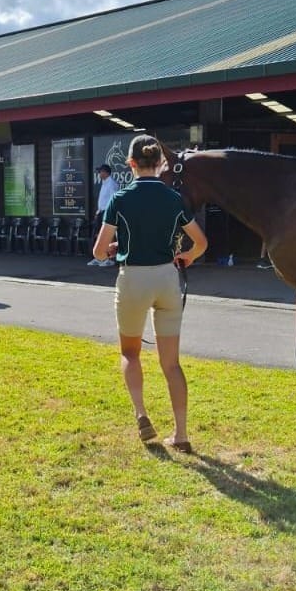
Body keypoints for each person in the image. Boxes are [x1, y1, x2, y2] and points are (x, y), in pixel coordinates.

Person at [90, 134, 208, 453]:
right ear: (161, 164)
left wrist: (115, 249)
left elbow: (99, 251)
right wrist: (187, 257)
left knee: (130, 353)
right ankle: (181, 433)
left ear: (130, 164)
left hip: (134, 278)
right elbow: (201, 242)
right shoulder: (174, 199)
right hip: (168, 279)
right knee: (172, 363)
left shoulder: (121, 199)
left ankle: (141, 414)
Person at [87, 163, 118, 267]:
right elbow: (103, 200)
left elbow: (113, 200)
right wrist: (98, 211)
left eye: (100, 171)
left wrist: (108, 213)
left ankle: (108, 259)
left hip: (107, 213)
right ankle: (98, 258)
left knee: (107, 237)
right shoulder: (104, 183)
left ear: (105, 172)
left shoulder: (112, 184)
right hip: (101, 212)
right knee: (98, 235)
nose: (99, 173)